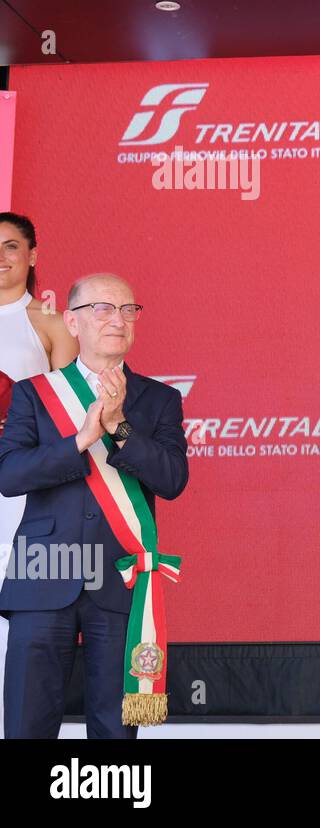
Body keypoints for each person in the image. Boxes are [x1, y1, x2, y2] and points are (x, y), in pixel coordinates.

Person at [0, 272, 188, 738]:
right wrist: (81, 439)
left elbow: (172, 480)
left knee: (114, 730)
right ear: (72, 322)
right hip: (42, 573)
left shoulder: (159, 399)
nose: (118, 320)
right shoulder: (34, 394)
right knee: (27, 723)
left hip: (119, 578)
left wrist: (120, 426)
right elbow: (9, 476)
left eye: (128, 310)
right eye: (102, 309)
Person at [0, 212, 76, 735]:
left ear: (32, 256)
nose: (0, 258)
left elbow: (70, 421)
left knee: (23, 629)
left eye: (10, 246)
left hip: (23, 499)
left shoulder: (50, 325)